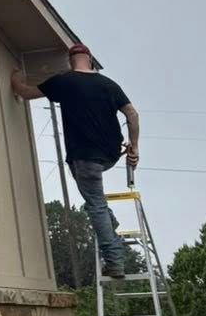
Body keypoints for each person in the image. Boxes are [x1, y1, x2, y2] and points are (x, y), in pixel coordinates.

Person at [10, 43, 140, 280]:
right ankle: (111, 224)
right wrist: (135, 146)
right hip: (110, 155)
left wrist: (16, 77)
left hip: (84, 157)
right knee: (96, 200)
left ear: (71, 62)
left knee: (95, 204)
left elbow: (25, 92)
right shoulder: (108, 84)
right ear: (90, 59)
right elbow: (132, 114)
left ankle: (114, 261)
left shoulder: (64, 81)